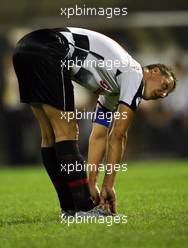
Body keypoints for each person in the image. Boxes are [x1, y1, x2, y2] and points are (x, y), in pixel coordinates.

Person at [12, 27, 176, 217]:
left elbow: (99, 136)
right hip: (52, 48)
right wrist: (109, 186)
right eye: (165, 85)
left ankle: (69, 208)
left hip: (24, 49)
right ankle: (83, 208)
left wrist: (92, 182)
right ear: (154, 71)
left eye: (167, 93)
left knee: (49, 136)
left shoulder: (113, 90)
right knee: (67, 131)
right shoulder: (135, 75)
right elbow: (118, 136)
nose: (162, 94)